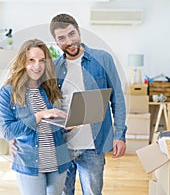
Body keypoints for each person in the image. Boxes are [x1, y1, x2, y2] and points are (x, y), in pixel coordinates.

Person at [49, 13, 127, 195]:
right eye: (62, 38)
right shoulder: (53, 67)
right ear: (56, 41)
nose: (69, 41)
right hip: (62, 145)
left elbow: (118, 98)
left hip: (93, 146)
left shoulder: (102, 58)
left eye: (71, 34)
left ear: (79, 31)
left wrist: (120, 134)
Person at [0, 39, 72, 195]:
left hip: (57, 160)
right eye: (31, 60)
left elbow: (53, 125)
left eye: (42, 61)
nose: (37, 65)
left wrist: (67, 124)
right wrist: (39, 115)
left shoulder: (50, 88)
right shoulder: (8, 92)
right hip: (29, 162)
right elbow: (8, 132)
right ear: (22, 62)